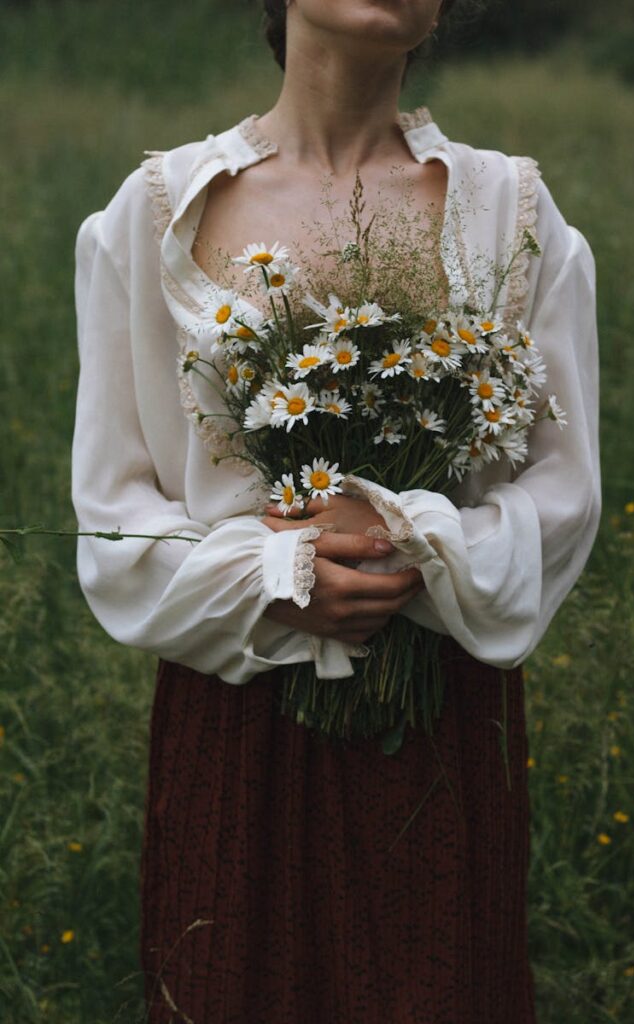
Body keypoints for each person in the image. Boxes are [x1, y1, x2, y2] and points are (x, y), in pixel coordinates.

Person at [71, 0, 600, 1020]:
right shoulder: (148, 214)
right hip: (236, 710)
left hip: (434, 717)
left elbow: (562, 487)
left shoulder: (513, 214)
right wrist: (271, 576)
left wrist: (418, 547)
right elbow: (111, 508)